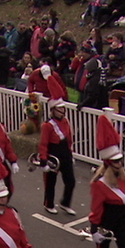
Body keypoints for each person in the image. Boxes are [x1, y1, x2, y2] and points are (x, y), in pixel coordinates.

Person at [89, 114, 125, 248]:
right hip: (105, 220)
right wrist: (94, 230)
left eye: (120, 160)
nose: (120, 163)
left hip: (120, 217)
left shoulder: (123, 176)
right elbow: (96, 209)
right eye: (115, 161)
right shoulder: (99, 184)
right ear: (108, 162)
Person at [39, 82, 77, 214]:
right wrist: (43, 160)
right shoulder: (47, 125)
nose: (62, 111)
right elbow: (43, 144)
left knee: (71, 181)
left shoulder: (65, 121)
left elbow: (69, 138)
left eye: (63, 109)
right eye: (59, 109)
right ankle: (48, 204)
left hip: (65, 152)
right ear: (53, 110)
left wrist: (70, 154)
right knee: (51, 182)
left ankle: (65, 203)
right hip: (53, 154)